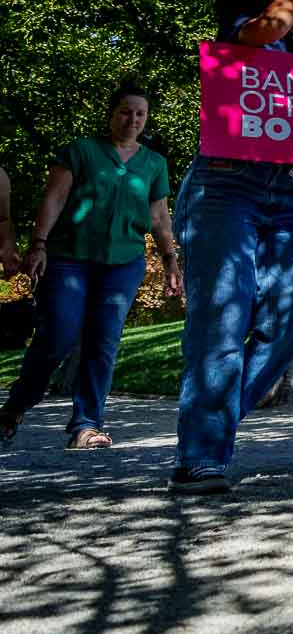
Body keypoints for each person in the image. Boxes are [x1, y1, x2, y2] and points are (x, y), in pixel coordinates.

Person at [171, 0, 293, 493]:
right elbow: (267, 32)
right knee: (221, 321)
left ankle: (216, 424)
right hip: (226, 188)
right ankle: (202, 457)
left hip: (288, 194)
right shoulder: (241, 30)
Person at [0, 85, 181, 448]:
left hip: (123, 264)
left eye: (140, 114)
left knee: (103, 342)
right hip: (69, 259)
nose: (132, 120)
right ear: (112, 113)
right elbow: (55, 198)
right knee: (57, 338)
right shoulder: (80, 151)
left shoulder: (154, 163)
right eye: (125, 112)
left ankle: (87, 425)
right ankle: (15, 407)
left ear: (147, 119)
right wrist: (38, 245)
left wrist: (170, 259)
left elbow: (159, 216)